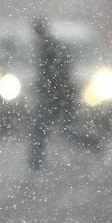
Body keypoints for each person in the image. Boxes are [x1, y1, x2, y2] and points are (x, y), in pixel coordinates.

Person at [28, 17, 80, 171]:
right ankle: (35, 165)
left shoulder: (50, 49)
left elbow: (56, 75)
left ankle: (35, 166)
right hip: (57, 98)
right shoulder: (49, 48)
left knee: (46, 130)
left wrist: (49, 90)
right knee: (60, 131)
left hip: (57, 99)